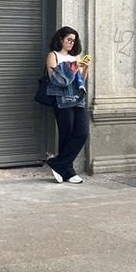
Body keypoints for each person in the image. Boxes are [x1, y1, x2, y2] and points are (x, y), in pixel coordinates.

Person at [44, 26, 90, 184]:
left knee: (82, 132)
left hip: (77, 98)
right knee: (67, 133)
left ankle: (57, 164)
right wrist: (73, 68)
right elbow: (54, 79)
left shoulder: (75, 56)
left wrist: (85, 68)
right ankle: (68, 171)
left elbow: (81, 80)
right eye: (69, 40)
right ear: (61, 39)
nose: (71, 43)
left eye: (74, 41)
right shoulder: (53, 55)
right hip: (62, 99)